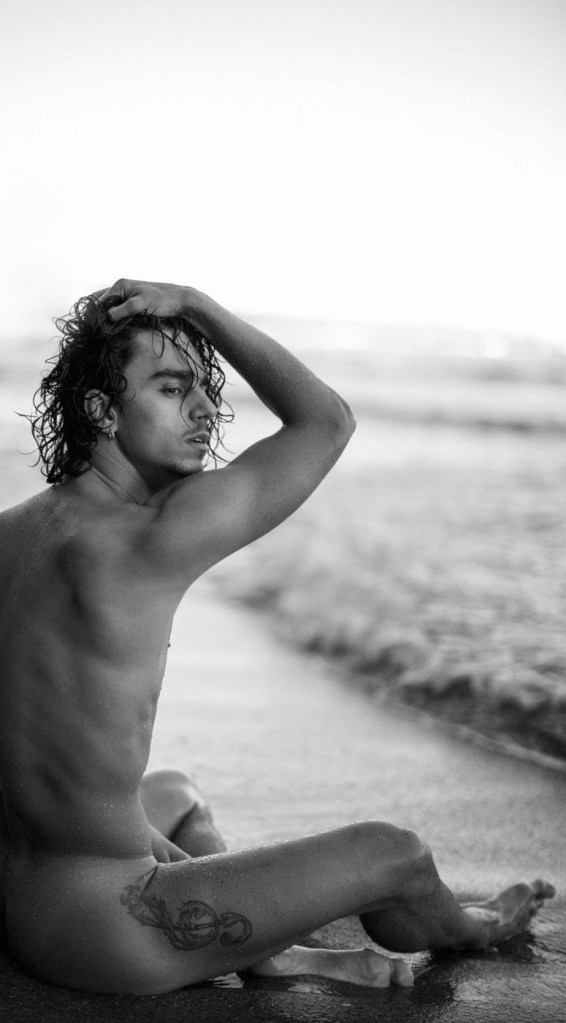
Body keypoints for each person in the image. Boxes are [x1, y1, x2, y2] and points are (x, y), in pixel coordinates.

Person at [0, 279, 554, 995]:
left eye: (205, 388)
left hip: (22, 896)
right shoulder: (148, 535)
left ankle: (268, 952)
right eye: (172, 389)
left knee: (176, 792)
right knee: (398, 854)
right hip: (113, 930)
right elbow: (327, 422)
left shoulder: (13, 532)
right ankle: (474, 927)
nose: (206, 409)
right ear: (102, 410)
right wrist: (195, 305)